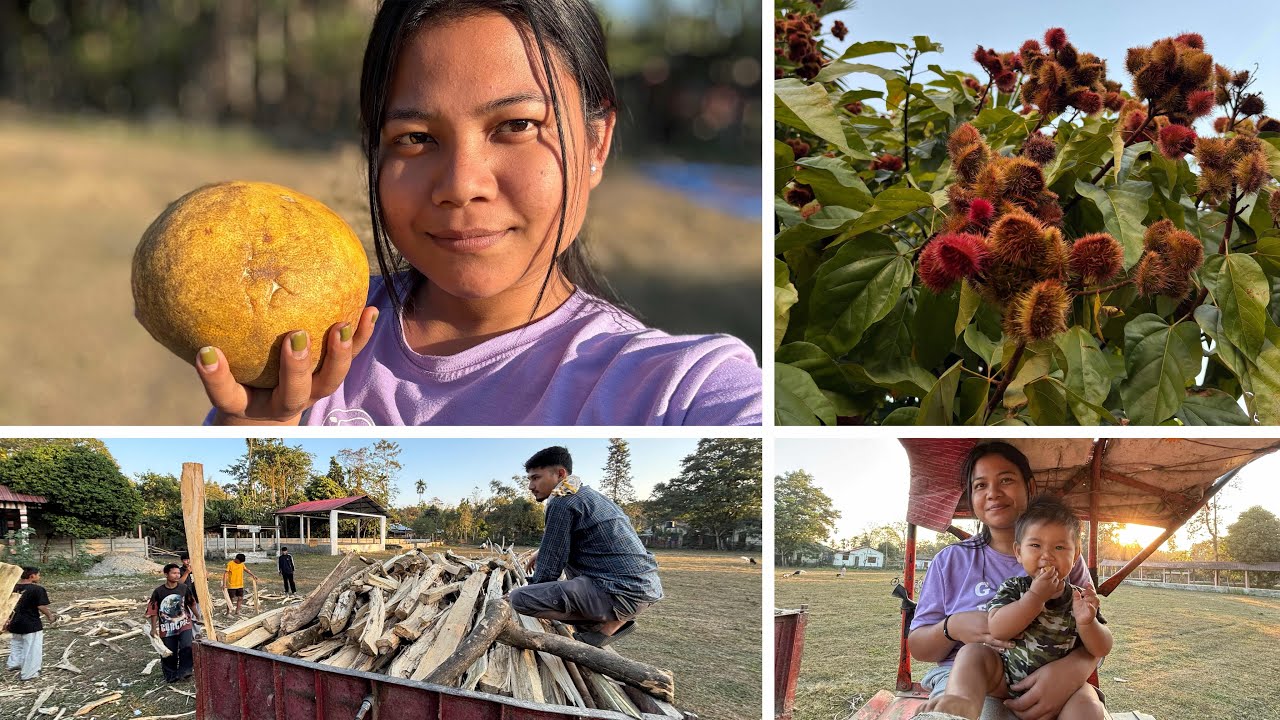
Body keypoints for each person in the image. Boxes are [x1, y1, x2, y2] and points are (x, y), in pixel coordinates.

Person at [190, 0, 762, 427]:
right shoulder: (299, 346)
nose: (461, 186)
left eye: (516, 126)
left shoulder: (680, 390)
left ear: (595, 143)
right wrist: (257, 433)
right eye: (415, 137)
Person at [910, 442, 1105, 720]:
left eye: (1006, 480)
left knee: (1088, 712)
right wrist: (951, 627)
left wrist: (1074, 669)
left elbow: (1094, 631)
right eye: (980, 485)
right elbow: (918, 647)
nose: (993, 493)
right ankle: (956, 705)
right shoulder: (951, 561)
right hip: (975, 678)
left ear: (1029, 487)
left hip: (1057, 674)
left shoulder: (1065, 559)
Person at [508, 446, 662, 647]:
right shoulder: (587, 495)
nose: (530, 486)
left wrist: (533, 591)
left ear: (560, 474)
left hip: (619, 591)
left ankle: (607, 623)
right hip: (645, 587)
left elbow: (550, 567)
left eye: (536, 478)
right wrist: (541, 551)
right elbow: (566, 540)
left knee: (519, 599)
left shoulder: (562, 502)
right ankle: (606, 627)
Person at [147, 563, 197, 682]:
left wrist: (198, 616)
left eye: (178, 573)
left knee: (187, 646)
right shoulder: (159, 592)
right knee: (169, 651)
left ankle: (185, 671)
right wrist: (154, 628)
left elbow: (191, 602)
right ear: (166, 574)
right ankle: (171, 675)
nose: (176, 575)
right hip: (167, 627)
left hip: (184, 623)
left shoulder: (183, 588)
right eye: (174, 573)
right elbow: (153, 610)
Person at [5, 567, 54, 681]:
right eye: (38, 575)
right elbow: (41, 606)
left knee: (17, 643)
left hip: (14, 622)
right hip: (31, 623)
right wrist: (50, 616)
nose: (39, 577)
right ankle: (29, 673)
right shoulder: (37, 589)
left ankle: (14, 663)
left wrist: (6, 620)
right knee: (32, 648)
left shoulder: (13, 587)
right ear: (32, 576)